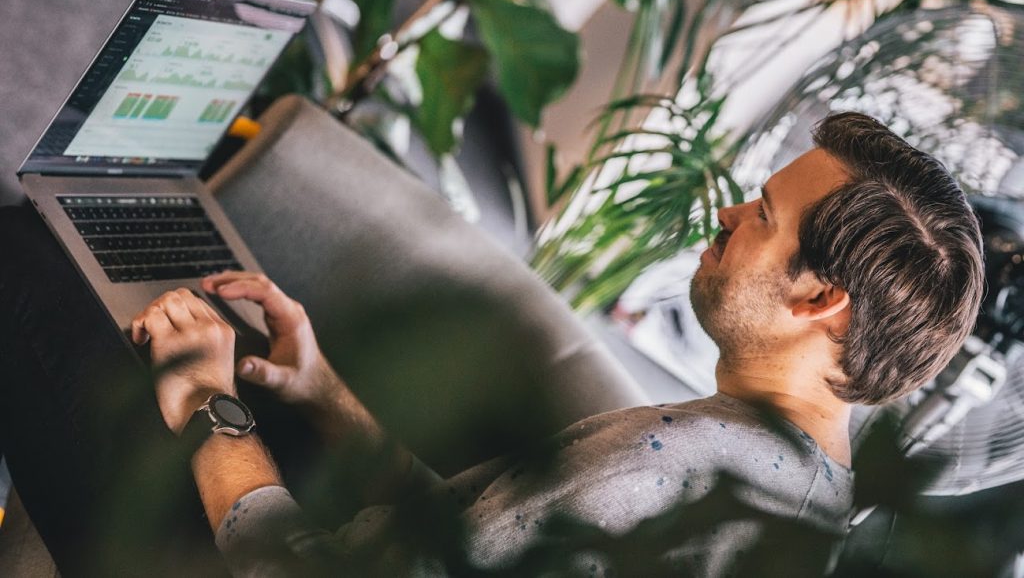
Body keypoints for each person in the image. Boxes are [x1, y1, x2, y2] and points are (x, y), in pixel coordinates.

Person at [0, 112, 984, 576]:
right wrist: (319, 388)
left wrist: (203, 400)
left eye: (762, 213)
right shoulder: (787, 486)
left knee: (23, 255)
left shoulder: (679, 465)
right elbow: (468, 540)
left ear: (819, 297)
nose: (729, 210)